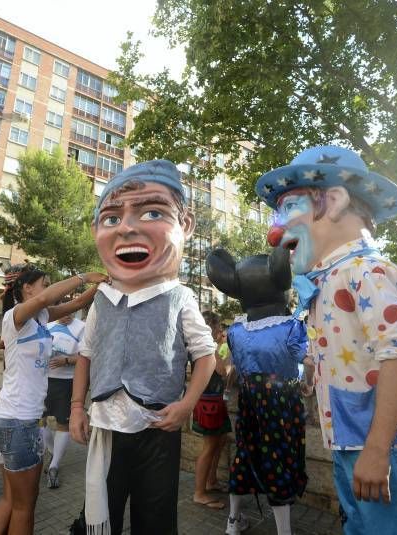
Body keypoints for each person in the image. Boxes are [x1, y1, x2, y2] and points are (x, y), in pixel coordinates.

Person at [258, 146, 397, 534]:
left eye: (289, 208)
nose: (276, 231)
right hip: (352, 444)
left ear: (336, 200)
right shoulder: (332, 278)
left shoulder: (364, 272)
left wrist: (376, 451)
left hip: (384, 450)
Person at [69, 160, 217, 535]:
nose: (129, 228)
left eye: (152, 212)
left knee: (156, 515)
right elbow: (85, 354)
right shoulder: (101, 299)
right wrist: (75, 408)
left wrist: (186, 405)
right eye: (112, 218)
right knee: (101, 511)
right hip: (106, 424)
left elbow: (206, 355)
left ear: (185, 225)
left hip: (158, 425)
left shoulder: (179, 297)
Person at [0, 266, 105, 535]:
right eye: (45, 283)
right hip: (18, 421)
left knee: (11, 500)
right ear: (27, 288)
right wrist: (84, 277)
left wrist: (102, 283)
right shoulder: (15, 316)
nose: (49, 288)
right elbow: (43, 298)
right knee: (24, 506)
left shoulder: (41, 317)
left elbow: (77, 302)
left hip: (18, 420)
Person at [206, 246, 310, 535]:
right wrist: (308, 381)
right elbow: (307, 359)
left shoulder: (237, 331)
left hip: (251, 399)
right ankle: (283, 530)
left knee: (246, 453)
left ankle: (232, 522)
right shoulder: (291, 326)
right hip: (283, 400)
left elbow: (237, 365)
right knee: (281, 457)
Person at [42, 307, 86, 489]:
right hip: (43, 380)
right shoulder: (47, 325)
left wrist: (66, 360)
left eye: (70, 310)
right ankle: (53, 452)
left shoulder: (82, 327)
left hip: (67, 382)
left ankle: (54, 466)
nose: (66, 314)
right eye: (62, 309)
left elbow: (86, 356)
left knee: (62, 423)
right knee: (39, 420)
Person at [191, 311, 231, 510]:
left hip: (211, 400)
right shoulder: (208, 346)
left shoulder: (199, 345)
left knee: (220, 440)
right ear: (211, 328)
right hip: (209, 402)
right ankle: (199, 492)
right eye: (218, 327)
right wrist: (222, 346)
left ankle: (211, 480)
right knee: (209, 446)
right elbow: (223, 371)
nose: (220, 331)